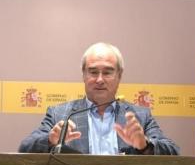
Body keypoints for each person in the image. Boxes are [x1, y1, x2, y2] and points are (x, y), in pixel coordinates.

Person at [18, 42, 179, 155]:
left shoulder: (140, 116)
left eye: (107, 72)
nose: (100, 80)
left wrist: (145, 145)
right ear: (83, 75)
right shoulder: (60, 114)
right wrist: (50, 140)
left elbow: (173, 151)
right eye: (93, 72)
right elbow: (25, 148)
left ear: (119, 76)